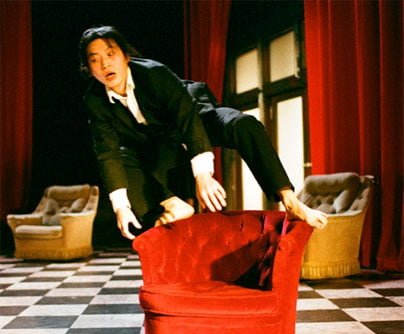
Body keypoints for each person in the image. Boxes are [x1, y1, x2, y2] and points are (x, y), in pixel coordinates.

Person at [79, 26, 328, 240]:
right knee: (123, 157)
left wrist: (203, 175)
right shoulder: (94, 100)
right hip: (159, 144)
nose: (105, 64)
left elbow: (187, 118)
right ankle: (172, 206)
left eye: (110, 54)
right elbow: (107, 152)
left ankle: (290, 200)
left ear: (126, 56)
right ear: (88, 68)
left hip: (196, 118)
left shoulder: (154, 73)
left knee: (245, 124)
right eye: (95, 59)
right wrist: (121, 207)